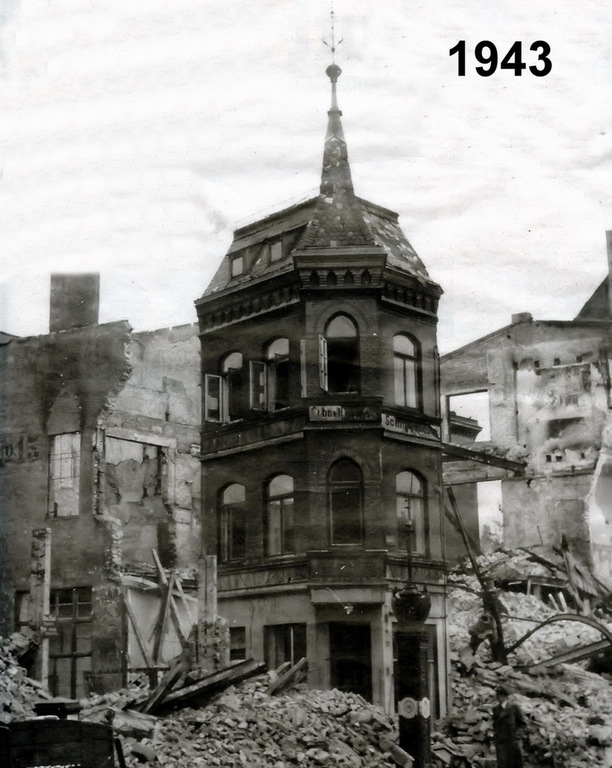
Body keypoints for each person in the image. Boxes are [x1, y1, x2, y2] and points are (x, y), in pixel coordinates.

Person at [492, 684, 526, 768]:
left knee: (514, 763)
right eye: (497, 695)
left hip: (512, 741)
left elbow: (522, 724)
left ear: (504, 696)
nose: (498, 697)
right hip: (501, 742)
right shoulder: (496, 709)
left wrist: (517, 736)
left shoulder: (514, 708)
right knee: (502, 764)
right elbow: (495, 725)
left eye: (500, 695)